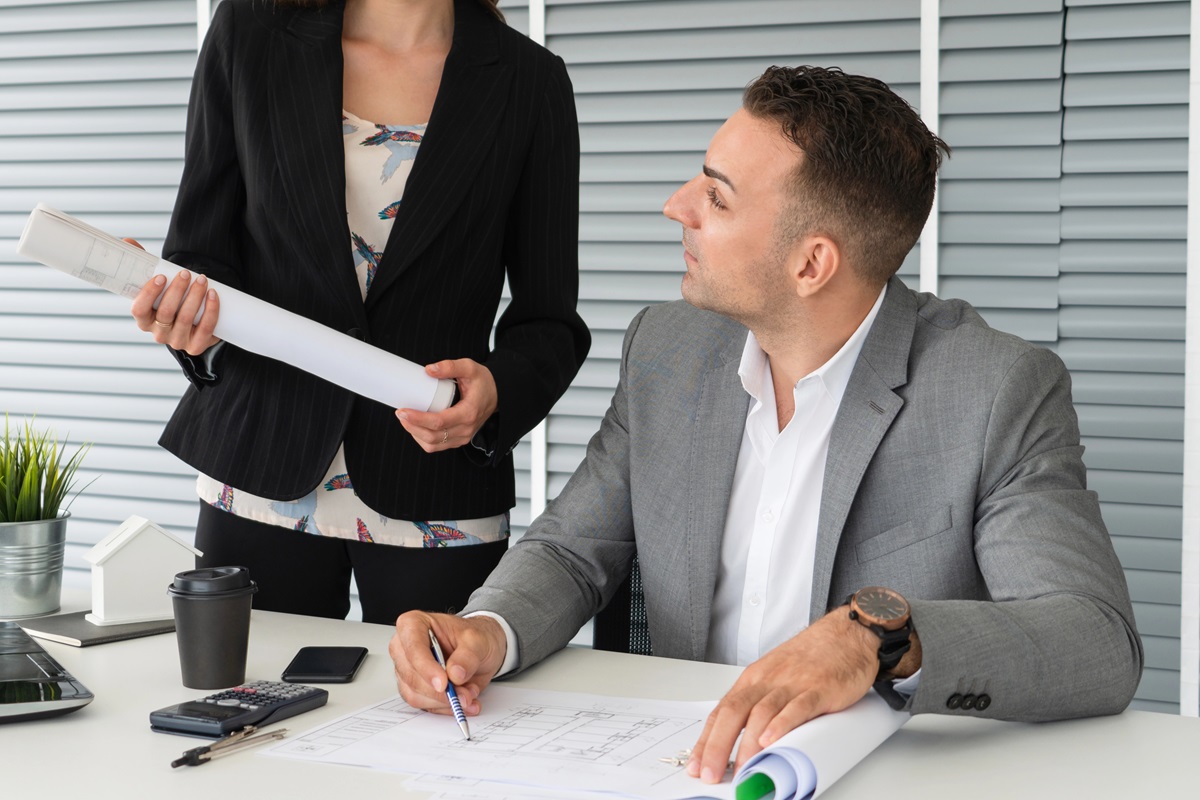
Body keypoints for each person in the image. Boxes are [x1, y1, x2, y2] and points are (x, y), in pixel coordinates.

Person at [388, 64, 1145, 785]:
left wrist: (880, 638)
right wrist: (488, 629)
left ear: (812, 264)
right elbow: (571, 550)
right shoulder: (667, 349)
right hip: (673, 766)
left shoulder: (993, 389)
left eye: (716, 198)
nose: (676, 206)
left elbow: (1096, 641)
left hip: (872, 776)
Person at [127, 0, 590, 624]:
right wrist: (189, 326)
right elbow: (201, 256)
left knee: (442, 715)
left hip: (435, 482)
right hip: (261, 462)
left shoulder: (531, 81)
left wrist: (495, 395)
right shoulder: (250, 33)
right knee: (244, 716)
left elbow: (550, 322)